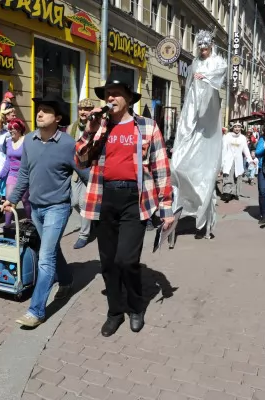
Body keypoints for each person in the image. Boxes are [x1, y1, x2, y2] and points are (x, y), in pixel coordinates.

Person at [76, 72, 174, 337]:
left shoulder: (147, 126)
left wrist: (166, 209)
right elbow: (81, 160)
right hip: (104, 197)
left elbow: (161, 168)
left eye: (117, 93)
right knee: (108, 262)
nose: (111, 97)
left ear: (129, 99)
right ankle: (114, 312)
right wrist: (90, 130)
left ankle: (135, 306)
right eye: (108, 93)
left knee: (127, 260)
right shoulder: (100, 127)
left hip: (135, 199)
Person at [2, 93, 75, 328]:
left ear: (58, 118)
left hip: (58, 208)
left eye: (46, 110)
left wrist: (91, 203)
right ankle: (66, 281)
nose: (39, 113)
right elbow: (24, 173)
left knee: (45, 257)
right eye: (38, 110)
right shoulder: (30, 141)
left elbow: (85, 174)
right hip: (35, 208)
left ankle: (36, 311)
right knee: (50, 249)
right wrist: (12, 200)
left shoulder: (68, 144)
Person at [170, 29, 227, 239]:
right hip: (193, 105)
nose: (203, 52)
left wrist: (206, 77)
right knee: (179, 162)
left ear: (211, 46)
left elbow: (219, 75)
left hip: (208, 108)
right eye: (200, 49)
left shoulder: (218, 61)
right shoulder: (194, 62)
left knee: (205, 174)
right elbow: (190, 85)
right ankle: (181, 208)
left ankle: (204, 221)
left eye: (205, 48)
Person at [67, 98, 94, 249]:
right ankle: (91, 218)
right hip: (76, 170)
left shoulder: (98, 126)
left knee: (84, 202)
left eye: (87, 109)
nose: (84, 112)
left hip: (91, 169)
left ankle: (84, 235)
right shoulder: (72, 127)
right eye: (81, 109)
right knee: (74, 202)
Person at [0, 117, 31, 231]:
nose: (11, 130)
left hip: (25, 175)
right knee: (9, 200)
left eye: (13, 128)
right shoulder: (8, 142)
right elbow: (8, 160)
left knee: (26, 200)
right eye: (9, 128)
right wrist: (1, 174)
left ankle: (30, 222)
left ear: (20, 129)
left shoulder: (27, 141)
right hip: (12, 174)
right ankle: (7, 225)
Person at [221, 122, 253, 202]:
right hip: (228, 159)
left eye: (239, 127)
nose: (237, 128)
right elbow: (224, 148)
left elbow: (245, 149)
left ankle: (234, 193)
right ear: (233, 128)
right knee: (228, 174)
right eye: (235, 127)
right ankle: (227, 193)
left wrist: (250, 160)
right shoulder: (227, 136)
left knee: (237, 176)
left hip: (238, 160)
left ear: (241, 128)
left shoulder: (242, 138)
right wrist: (222, 160)